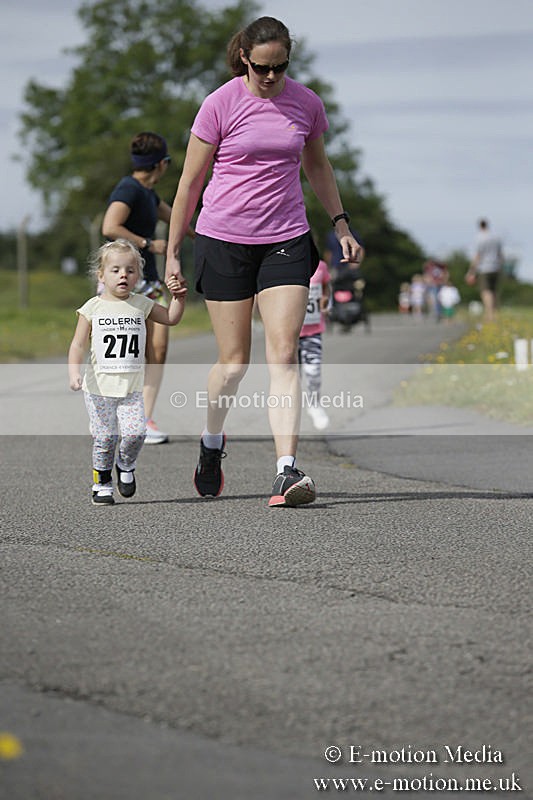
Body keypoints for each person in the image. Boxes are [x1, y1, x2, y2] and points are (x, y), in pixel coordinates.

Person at [164, 16, 363, 508]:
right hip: (223, 238)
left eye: (280, 68)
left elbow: (317, 165)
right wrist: (171, 251)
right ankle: (212, 444)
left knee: (284, 352)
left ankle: (285, 470)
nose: (271, 78)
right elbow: (190, 182)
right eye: (261, 68)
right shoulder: (220, 103)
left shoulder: (306, 103)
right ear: (244, 60)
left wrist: (340, 224)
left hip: (286, 238)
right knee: (233, 364)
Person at [68, 240, 186, 505]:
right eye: (116, 270)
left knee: (135, 434)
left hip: (131, 388)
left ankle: (126, 464)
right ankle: (102, 483)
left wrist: (179, 298)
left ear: (138, 276)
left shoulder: (142, 304)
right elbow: (77, 344)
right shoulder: (92, 307)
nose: (123, 275)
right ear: (101, 275)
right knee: (105, 438)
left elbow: (171, 318)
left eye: (130, 270)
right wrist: (74, 372)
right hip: (98, 388)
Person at [102, 131, 191, 445]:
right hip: (123, 284)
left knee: (158, 349)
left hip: (150, 283)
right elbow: (110, 226)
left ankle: (142, 419)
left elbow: (182, 222)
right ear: (162, 163)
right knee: (126, 354)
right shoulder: (128, 188)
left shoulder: (150, 195)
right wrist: (147, 243)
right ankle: (113, 414)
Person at [299, 258, 331, 431]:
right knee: (289, 376)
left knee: (313, 372)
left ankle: (314, 403)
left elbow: (326, 286)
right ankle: (289, 413)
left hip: (312, 330)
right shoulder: (281, 264)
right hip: (287, 333)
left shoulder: (321, 267)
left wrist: (325, 300)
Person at [465, 218, 503, 323]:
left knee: (486, 291)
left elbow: (478, 255)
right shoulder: (496, 237)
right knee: (494, 291)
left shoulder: (479, 238)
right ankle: (495, 314)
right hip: (496, 267)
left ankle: (489, 314)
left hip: (484, 268)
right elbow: (500, 254)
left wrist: (471, 271)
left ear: (479, 226)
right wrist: (500, 266)